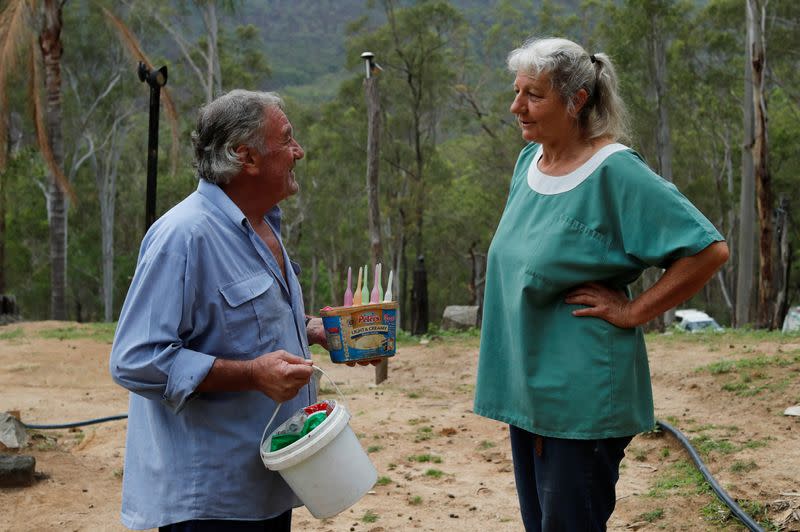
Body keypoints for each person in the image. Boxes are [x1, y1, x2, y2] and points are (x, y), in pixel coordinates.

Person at [473, 38, 729, 531]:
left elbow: (707, 249)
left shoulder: (614, 170)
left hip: (580, 393)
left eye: (534, 95)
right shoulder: (530, 164)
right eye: (517, 91)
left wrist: (634, 312)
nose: (516, 106)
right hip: (529, 389)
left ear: (577, 101)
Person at [110, 90, 329, 531]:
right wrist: (251, 374)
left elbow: (239, 327)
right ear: (245, 156)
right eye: (287, 140)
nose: (298, 152)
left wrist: (315, 329)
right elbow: (134, 359)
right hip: (210, 502)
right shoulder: (183, 237)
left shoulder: (263, 224)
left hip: (265, 482)